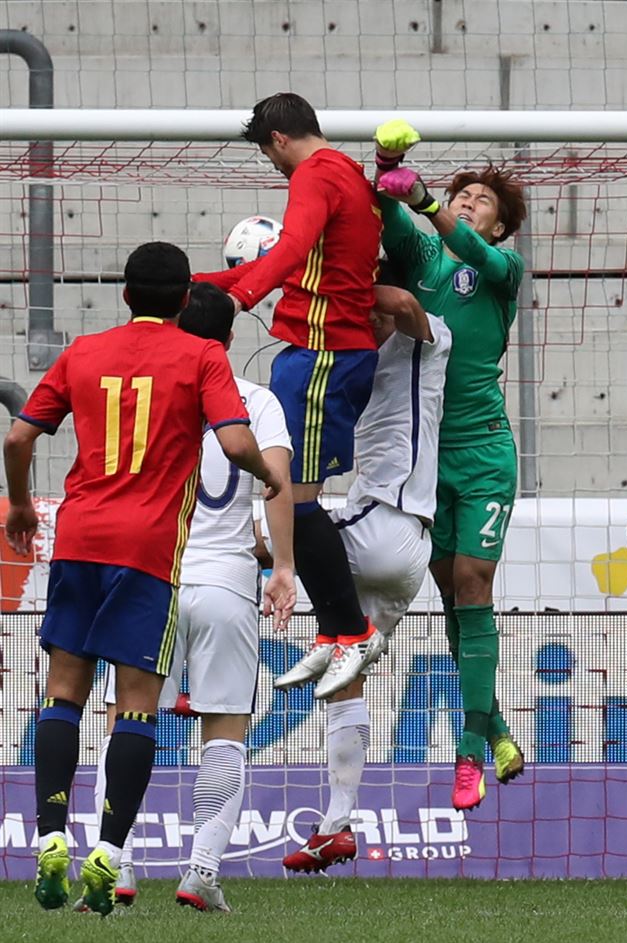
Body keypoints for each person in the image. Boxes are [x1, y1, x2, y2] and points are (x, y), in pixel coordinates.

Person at [2, 243, 282, 916]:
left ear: (123, 295)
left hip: (79, 539)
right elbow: (239, 444)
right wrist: (272, 480)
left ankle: (48, 836)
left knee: (64, 692)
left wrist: (18, 504)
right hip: (148, 552)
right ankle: (107, 850)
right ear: (186, 300)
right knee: (135, 703)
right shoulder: (201, 356)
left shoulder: (82, 352)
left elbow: (17, 439)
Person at [90, 283, 296, 914]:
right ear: (232, 341)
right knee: (225, 732)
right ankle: (201, 870)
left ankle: (114, 863)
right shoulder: (257, 402)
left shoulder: (151, 393)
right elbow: (279, 484)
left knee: (128, 720)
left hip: (152, 577)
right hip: (227, 583)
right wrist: (282, 566)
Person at [193, 92, 387, 699]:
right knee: (296, 499)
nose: (276, 170)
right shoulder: (348, 175)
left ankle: (351, 630)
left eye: (269, 157)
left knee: (292, 501)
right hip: (324, 350)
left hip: (323, 352)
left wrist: (238, 298)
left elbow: (292, 246)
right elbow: (291, 256)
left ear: (278, 140)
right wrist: (199, 283)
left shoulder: (315, 175)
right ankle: (334, 631)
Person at [258, 276, 452, 870]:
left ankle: (197, 675)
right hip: (401, 550)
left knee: (270, 531)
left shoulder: (424, 337)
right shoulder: (358, 359)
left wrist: (339, 282)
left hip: (387, 518)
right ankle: (338, 825)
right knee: (346, 675)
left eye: (366, 312)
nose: (365, 321)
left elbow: (399, 304)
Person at [372, 120, 528, 811]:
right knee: (452, 601)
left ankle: (467, 751)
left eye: (481, 201)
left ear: (499, 228)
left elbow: (454, 235)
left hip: (486, 451)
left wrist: (431, 197)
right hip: (424, 455)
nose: (468, 203)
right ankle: (492, 724)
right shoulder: (423, 257)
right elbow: (392, 222)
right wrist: (386, 171)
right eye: (463, 192)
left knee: (474, 582)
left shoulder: (500, 269)